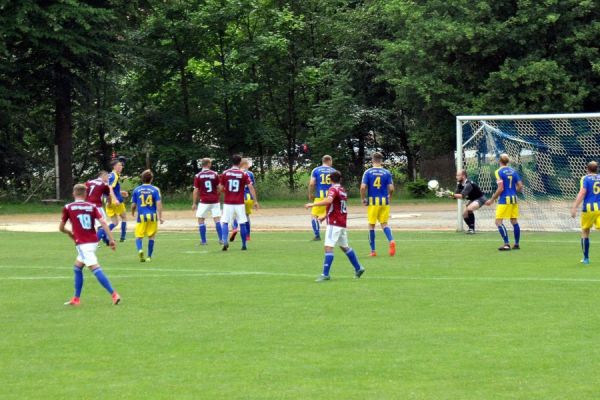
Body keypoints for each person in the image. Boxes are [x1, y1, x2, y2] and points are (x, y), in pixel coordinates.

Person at [60, 183, 121, 306]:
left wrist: (69, 233)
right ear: (85, 194)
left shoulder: (68, 207)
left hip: (83, 244)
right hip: (93, 241)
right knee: (77, 267)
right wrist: (111, 239)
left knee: (94, 268)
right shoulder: (92, 206)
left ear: (73, 193)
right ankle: (76, 299)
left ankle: (114, 294)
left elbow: (61, 227)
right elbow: (103, 222)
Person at [305, 171, 365, 282]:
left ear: (330, 180)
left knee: (328, 247)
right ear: (339, 179)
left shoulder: (333, 189)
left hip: (334, 223)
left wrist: (312, 204)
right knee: (344, 247)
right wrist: (325, 215)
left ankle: (325, 274)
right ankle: (358, 268)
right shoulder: (342, 190)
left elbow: (329, 200)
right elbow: (335, 206)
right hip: (341, 222)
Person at [219, 155, 259, 251]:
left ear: (231, 162)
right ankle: (244, 244)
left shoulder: (225, 173)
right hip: (239, 202)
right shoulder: (243, 174)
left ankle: (224, 240)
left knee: (225, 222)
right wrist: (255, 201)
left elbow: (220, 188)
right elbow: (250, 187)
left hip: (228, 202)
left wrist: (225, 191)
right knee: (242, 222)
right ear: (240, 162)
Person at [485, 153, 523, 250]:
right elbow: (520, 186)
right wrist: (513, 192)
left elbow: (500, 188)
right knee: (514, 221)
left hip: (504, 199)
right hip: (514, 199)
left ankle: (506, 244)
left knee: (498, 222)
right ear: (507, 161)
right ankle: (517, 244)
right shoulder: (513, 171)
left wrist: (492, 199)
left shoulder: (498, 171)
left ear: (499, 161)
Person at [360, 152, 396, 257]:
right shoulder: (386, 172)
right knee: (384, 224)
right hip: (384, 201)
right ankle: (391, 240)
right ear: (381, 160)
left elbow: (363, 187)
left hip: (373, 202)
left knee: (371, 225)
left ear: (372, 160)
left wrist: (363, 198)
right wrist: (390, 196)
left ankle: (373, 251)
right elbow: (392, 188)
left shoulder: (368, 172)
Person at [570, 161, 600, 265]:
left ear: (587, 169)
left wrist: (574, 207)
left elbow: (583, 192)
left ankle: (586, 258)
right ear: (597, 169)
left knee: (585, 232)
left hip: (589, 209)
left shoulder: (585, 178)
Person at [131, 170, 164, 262]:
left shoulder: (136, 190)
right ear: (151, 179)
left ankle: (140, 250)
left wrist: (133, 212)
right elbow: (158, 204)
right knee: (151, 237)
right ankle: (149, 256)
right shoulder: (155, 189)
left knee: (138, 236)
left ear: (142, 179)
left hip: (141, 216)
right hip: (153, 216)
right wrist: (160, 217)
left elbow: (133, 205)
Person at [192, 158, 223, 245]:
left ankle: (204, 241)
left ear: (202, 164)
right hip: (214, 200)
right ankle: (221, 239)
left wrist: (194, 203)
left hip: (204, 201)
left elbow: (196, 190)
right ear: (208, 164)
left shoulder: (198, 175)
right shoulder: (215, 174)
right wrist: (218, 193)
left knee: (201, 220)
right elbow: (220, 187)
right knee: (217, 219)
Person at [308, 155, 336, 240]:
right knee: (330, 215)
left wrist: (310, 194)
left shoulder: (316, 170)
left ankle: (317, 235)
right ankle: (332, 236)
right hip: (330, 196)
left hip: (320, 196)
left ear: (323, 161)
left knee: (314, 216)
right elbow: (336, 184)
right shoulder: (333, 171)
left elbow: (312, 183)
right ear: (329, 161)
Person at [451, 170, 487, 234]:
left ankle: (472, 230)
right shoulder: (460, 184)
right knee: (464, 215)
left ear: (463, 176)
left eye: (458, 175)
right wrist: (447, 194)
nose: (456, 177)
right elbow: (455, 195)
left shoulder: (468, 184)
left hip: (480, 198)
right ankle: (471, 228)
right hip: (473, 199)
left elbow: (462, 196)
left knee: (469, 208)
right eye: (456, 175)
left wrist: (452, 194)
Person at [85, 170, 115, 244]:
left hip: (87, 206)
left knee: (94, 225)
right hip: (97, 206)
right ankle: (94, 242)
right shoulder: (104, 184)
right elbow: (108, 197)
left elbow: (83, 191)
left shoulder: (89, 182)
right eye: (107, 177)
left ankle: (106, 240)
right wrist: (110, 204)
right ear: (103, 176)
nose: (108, 179)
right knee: (102, 225)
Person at [230, 158, 256, 242]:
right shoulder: (250, 173)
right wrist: (255, 200)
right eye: (248, 164)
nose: (249, 165)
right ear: (245, 164)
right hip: (248, 197)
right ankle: (247, 235)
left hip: (238, 197)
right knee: (246, 216)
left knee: (235, 215)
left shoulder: (234, 173)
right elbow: (251, 186)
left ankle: (234, 228)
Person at [106, 159, 129, 242]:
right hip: (115, 201)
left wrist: (121, 192)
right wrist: (115, 199)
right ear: (114, 167)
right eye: (119, 165)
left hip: (108, 201)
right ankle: (123, 237)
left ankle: (103, 233)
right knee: (124, 217)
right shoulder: (114, 175)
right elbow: (110, 188)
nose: (121, 167)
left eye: (121, 165)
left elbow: (110, 188)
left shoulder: (110, 175)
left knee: (115, 222)